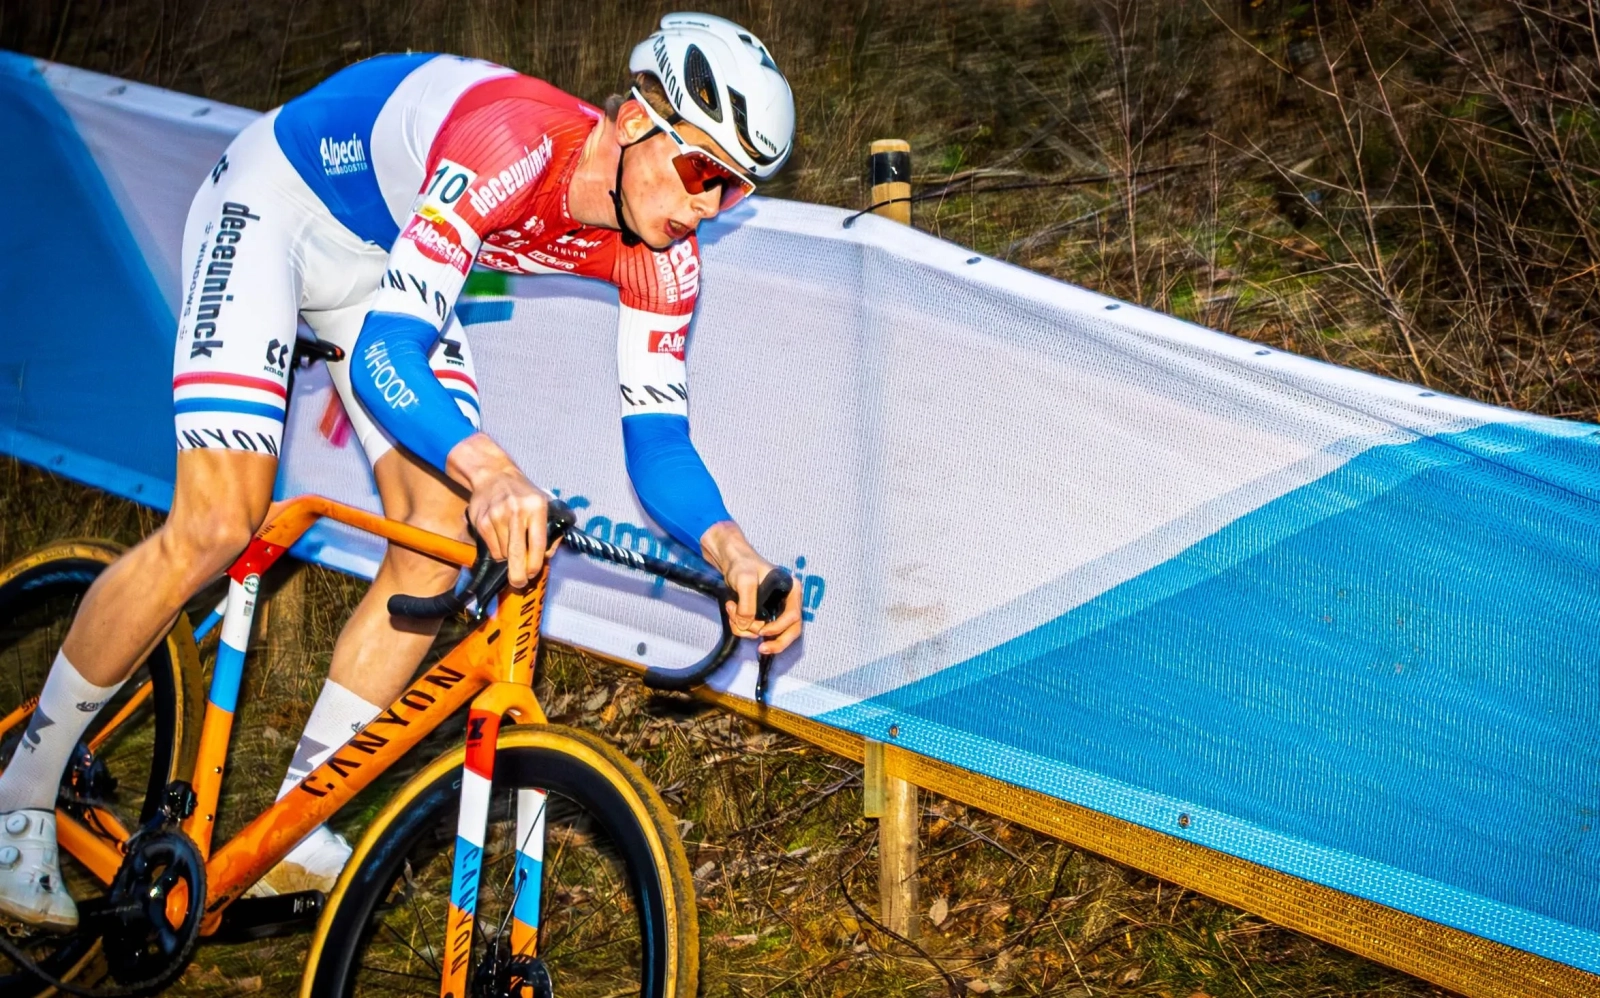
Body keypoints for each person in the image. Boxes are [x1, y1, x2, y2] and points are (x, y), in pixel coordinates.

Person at [0, 12, 803, 930]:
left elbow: (658, 443)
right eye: (702, 172)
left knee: (439, 544)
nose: (707, 206)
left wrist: (735, 554)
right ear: (631, 124)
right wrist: (491, 465)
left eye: (733, 191)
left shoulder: (667, 259)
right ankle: (16, 795)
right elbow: (390, 348)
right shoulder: (514, 142)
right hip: (277, 206)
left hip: (381, 257)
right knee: (220, 523)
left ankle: (293, 822)